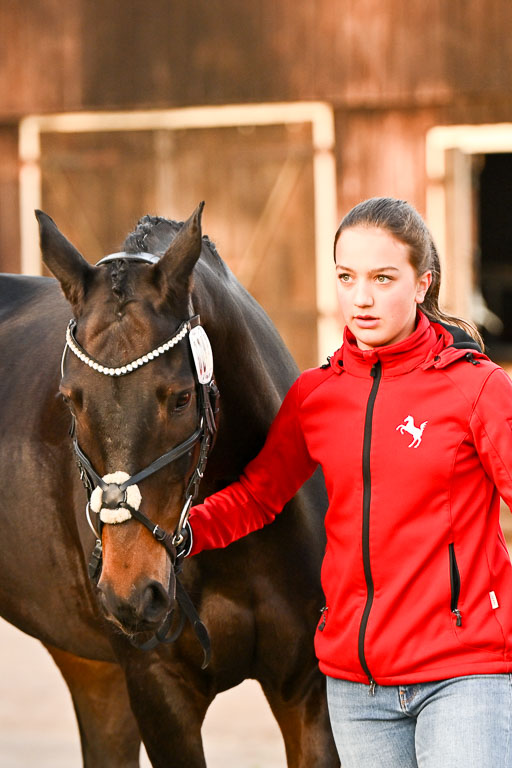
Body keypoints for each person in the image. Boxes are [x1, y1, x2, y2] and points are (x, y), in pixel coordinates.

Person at [185, 197, 512, 767]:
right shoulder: (317, 396)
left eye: (383, 278)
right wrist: (178, 531)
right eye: (346, 277)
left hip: (464, 674)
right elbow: (260, 495)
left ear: (420, 284)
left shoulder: (477, 388)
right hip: (357, 687)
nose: (361, 297)